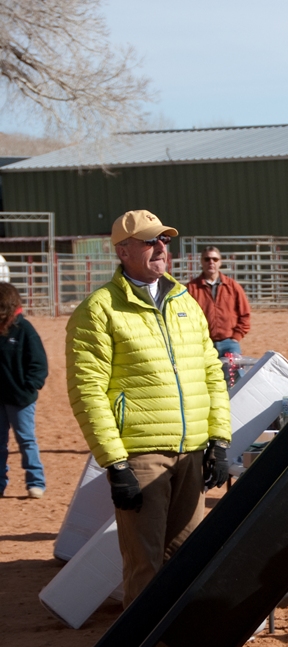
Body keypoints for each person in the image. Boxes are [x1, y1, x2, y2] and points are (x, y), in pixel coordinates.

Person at [66, 210, 231, 607]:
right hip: (141, 456)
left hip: (192, 452)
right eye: (149, 241)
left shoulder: (184, 302)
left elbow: (212, 373)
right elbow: (88, 392)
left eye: (164, 240)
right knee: (145, 567)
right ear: (122, 251)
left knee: (188, 561)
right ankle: (140, 645)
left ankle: (180, 643)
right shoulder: (99, 310)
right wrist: (115, 462)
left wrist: (219, 439)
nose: (160, 247)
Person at [0, 283, 47, 499]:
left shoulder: (24, 329)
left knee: (26, 440)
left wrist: (29, 386)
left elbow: (38, 363)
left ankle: (35, 482)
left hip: (21, 399)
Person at [186, 246, 251, 359]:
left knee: (235, 371)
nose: (211, 262)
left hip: (229, 343)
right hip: (203, 344)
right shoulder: (191, 289)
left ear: (220, 262)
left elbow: (245, 314)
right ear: (201, 261)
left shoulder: (233, 286)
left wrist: (236, 337)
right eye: (207, 259)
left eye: (215, 259)